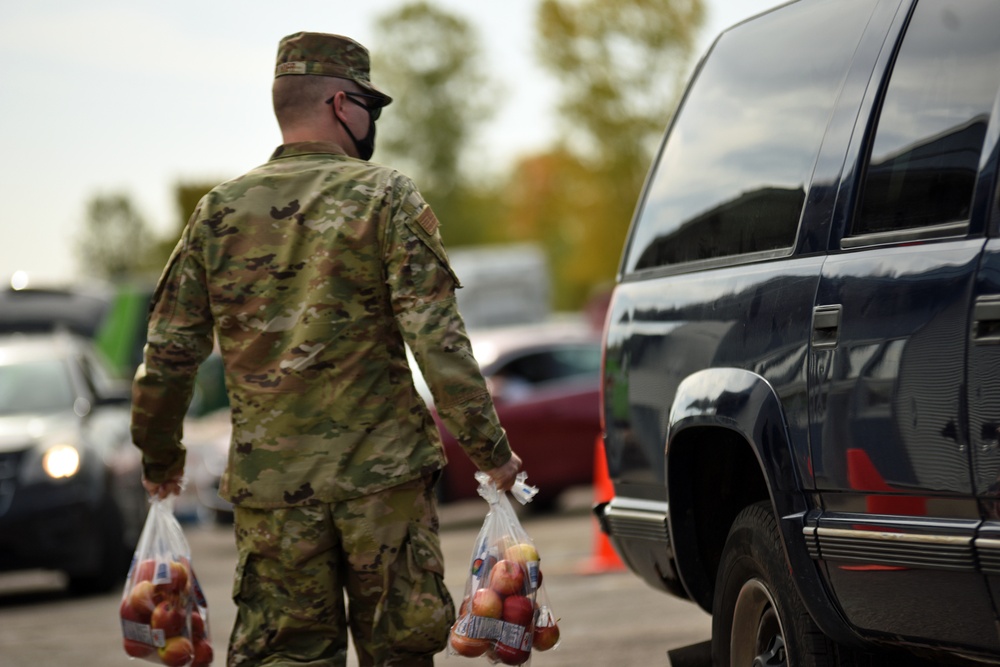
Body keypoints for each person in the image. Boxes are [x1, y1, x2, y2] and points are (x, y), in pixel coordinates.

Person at [130, 31, 522, 667]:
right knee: (400, 654)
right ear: (342, 104)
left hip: (273, 495)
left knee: (286, 658)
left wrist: (160, 456)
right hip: (385, 486)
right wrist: (491, 452)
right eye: (371, 105)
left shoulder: (217, 213)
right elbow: (438, 343)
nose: (374, 121)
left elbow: (168, 355)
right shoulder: (386, 197)